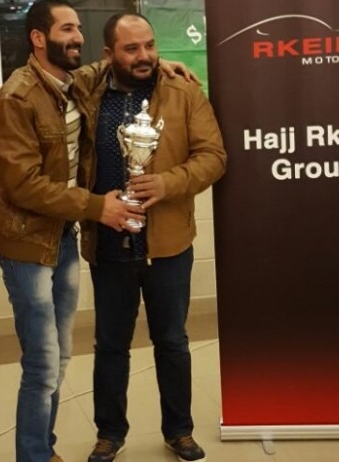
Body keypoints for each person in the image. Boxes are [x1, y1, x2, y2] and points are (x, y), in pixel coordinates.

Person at [0, 2, 145, 461]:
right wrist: (97, 207)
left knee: (60, 357)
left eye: (78, 28)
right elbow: (23, 184)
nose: (78, 37)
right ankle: (34, 455)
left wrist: (165, 63)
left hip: (62, 238)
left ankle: (44, 448)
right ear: (39, 38)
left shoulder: (70, 83)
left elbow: (106, 63)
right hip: (27, 245)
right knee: (42, 363)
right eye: (67, 28)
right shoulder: (16, 99)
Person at [77, 13, 227, 462]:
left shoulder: (184, 92)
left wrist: (168, 182)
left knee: (173, 342)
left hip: (169, 246)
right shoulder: (87, 94)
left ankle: (179, 431)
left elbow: (214, 156)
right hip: (108, 243)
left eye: (149, 46)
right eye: (131, 49)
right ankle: (110, 433)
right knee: (110, 346)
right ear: (109, 54)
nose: (144, 56)